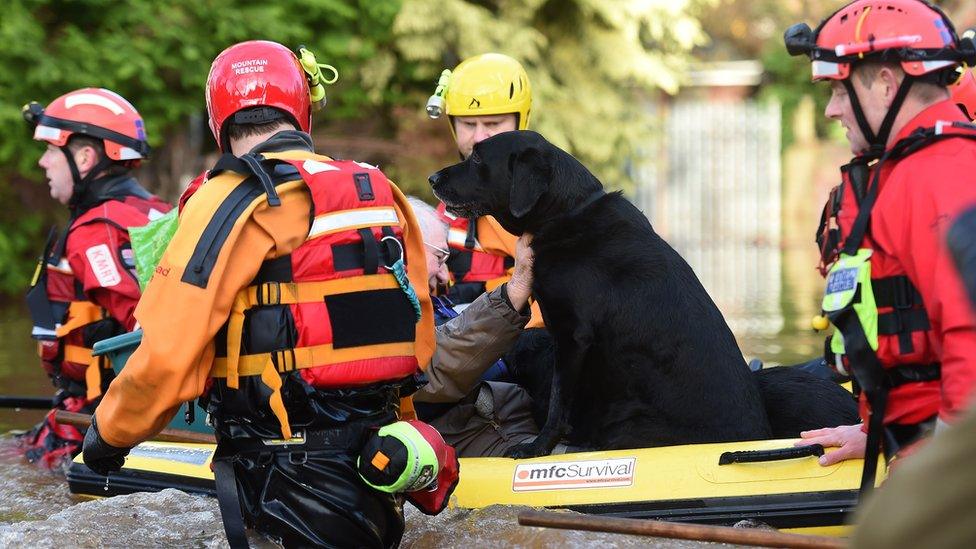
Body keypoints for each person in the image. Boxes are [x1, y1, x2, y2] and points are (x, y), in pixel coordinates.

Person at [81, 41, 457, 548]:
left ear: (220, 120)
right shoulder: (379, 191)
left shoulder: (232, 197)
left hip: (285, 476)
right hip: (381, 462)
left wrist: (108, 435)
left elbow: (168, 352)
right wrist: (406, 424)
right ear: (301, 107)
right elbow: (414, 333)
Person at [784, 0, 976, 491]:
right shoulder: (912, 170)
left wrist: (941, 472)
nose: (831, 110)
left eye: (839, 92)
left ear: (888, 85)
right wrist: (876, 431)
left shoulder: (940, 178)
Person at [19, 88, 171, 468]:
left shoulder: (94, 232)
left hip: (95, 414)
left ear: (85, 157)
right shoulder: (156, 211)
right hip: (111, 405)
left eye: (51, 152)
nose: (42, 163)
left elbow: (146, 326)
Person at [405, 196, 541, 456]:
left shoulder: (430, 304)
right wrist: (519, 284)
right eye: (440, 256)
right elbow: (432, 371)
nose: (446, 275)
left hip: (513, 425)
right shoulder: (386, 318)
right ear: (406, 249)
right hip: (495, 442)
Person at [427, 54, 543, 324]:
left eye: (493, 124)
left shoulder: (539, 202)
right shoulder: (448, 208)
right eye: (468, 124)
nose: (479, 137)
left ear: (519, 121)